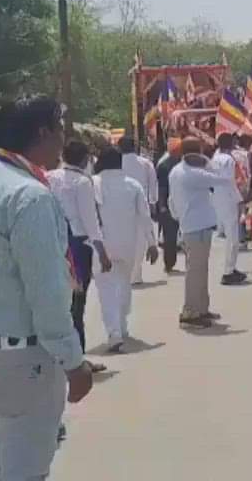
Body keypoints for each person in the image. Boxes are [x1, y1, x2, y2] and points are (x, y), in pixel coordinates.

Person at [0, 96, 93, 480]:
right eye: (60, 129)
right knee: (25, 470)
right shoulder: (29, 196)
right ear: (42, 133)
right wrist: (73, 360)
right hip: (23, 357)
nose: (63, 139)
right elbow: (47, 291)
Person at [93, 146, 159, 353]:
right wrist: (152, 243)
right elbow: (144, 216)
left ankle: (114, 333)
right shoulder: (133, 185)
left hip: (101, 245)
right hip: (128, 243)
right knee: (124, 284)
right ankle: (121, 326)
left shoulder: (93, 184)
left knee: (106, 289)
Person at [48, 140, 108, 360]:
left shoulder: (48, 177)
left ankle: (61, 355)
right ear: (85, 159)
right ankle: (77, 357)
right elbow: (90, 220)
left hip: (54, 241)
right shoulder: (83, 182)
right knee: (77, 303)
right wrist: (102, 251)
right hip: (78, 246)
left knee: (59, 302)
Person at [168, 137, 234, 328]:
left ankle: (201, 309)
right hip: (196, 226)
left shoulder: (177, 171)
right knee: (196, 271)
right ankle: (190, 312)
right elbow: (223, 180)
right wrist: (208, 162)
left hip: (193, 225)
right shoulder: (193, 174)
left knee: (200, 270)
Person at [119, 136, 158, 285]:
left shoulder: (116, 162)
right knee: (140, 240)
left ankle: (126, 273)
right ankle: (135, 274)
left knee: (124, 238)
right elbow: (153, 182)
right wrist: (153, 201)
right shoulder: (146, 163)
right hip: (142, 203)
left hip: (120, 205)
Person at [210, 133, 247, 286]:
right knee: (233, 237)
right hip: (228, 197)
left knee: (229, 235)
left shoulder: (215, 158)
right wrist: (239, 200)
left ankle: (231, 267)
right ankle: (228, 271)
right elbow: (230, 182)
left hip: (218, 197)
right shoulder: (228, 160)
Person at [155, 138, 184, 273]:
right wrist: (162, 205)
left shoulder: (180, 163)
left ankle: (172, 262)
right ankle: (169, 263)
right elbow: (161, 187)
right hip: (167, 203)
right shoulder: (164, 165)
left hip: (180, 202)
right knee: (170, 235)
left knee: (177, 233)